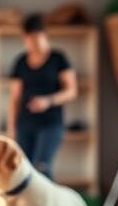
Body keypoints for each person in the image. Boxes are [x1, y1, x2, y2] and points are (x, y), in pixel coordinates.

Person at [8, 13, 79, 179]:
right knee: (23, 171)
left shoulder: (58, 59)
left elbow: (71, 91)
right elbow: (15, 98)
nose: (30, 43)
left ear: (44, 35)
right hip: (24, 124)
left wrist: (48, 101)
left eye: (34, 38)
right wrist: (12, 128)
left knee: (42, 168)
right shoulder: (20, 62)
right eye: (27, 39)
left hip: (50, 124)